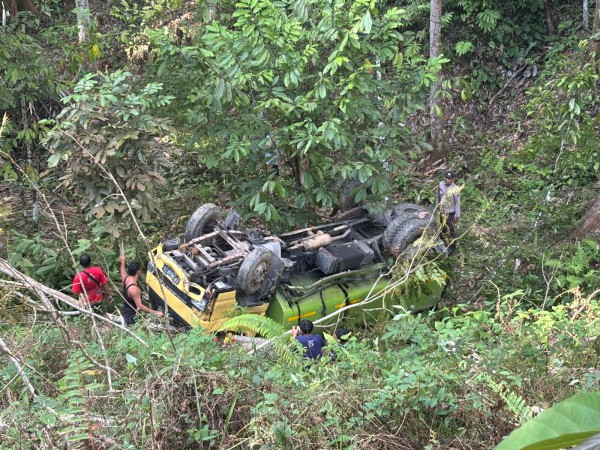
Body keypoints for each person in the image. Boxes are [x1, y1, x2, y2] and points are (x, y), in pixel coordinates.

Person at [119, 255, 164, 325]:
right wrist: (156, 312)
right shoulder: (134, 289)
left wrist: (123, 261)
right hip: (131, 318)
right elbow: (140, 306)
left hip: (126, 312)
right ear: (138, 271)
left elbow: (122, 270)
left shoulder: (125, 279)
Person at [435, 170, 461, 255]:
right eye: (446, 177)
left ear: (453, 179)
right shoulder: (441, 185)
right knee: (442, 227)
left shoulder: (455, 189)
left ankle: (452, 246)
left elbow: (457, 203)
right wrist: (437, 206)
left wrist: (457, 215)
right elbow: (438, 196)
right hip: (442, 210)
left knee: (450, 230)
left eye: (449, 178)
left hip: (450, 212)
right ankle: (442, 242)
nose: (447, 179)